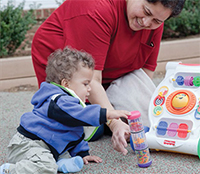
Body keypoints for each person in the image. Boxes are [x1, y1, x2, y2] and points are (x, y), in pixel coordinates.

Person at [31, 0, 186, 155]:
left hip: (109, 74)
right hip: (73, 75)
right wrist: (114, 122)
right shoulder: (95, 8)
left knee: (152, 123)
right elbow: (90, 78)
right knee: (91, 128)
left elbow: (143, 76)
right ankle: (83, 115)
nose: (146, 22)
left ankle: (104, 109)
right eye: (146, 11)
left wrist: (143, 105)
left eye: (157, 21)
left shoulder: (154, 22)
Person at [0, 46, 131, 174]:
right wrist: (107, 114)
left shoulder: (71, 105)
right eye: (85, 84)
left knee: (56, 158)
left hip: (46, 147)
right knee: (46, 167)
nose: (89, 89)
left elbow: (75, 132)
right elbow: (79, 115)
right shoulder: (57, 100)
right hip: (27, 145)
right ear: (66, 84)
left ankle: (60, 163)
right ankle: (9, 170)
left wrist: (82, 153)